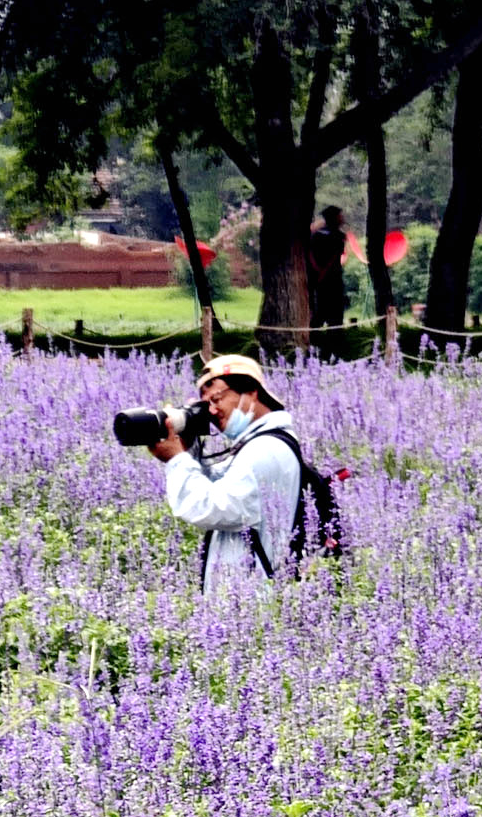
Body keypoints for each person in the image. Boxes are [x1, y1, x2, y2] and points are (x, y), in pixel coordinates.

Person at [143, 353, 303, 593]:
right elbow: (218, 483)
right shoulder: (260, 445)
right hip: (243, 600)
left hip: (253, 603)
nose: (212, 410)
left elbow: (213, 507)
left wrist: (177, 460)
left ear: (251, 392)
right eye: (205, 404)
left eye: (217, 399)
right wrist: (188, 449)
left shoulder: (265, 450)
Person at [309, 206, 349, 334]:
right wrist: (322, 272)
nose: (342, 218)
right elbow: (337, 256)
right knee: (333, 313)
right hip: (332, 279)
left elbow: (310, 255)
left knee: (320, 311)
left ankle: (316, 337)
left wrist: (317, 271)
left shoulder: (315, 236)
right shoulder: (339, 236)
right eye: (340, 216)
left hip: (319, 278)